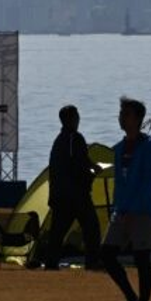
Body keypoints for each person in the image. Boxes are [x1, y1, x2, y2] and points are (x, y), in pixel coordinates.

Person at [101, 96, 151, 301]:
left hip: (142, 212)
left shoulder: (148, 147)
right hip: (121, 212)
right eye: (120, 114)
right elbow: (119, 184)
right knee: (106, 255)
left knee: (141, 258)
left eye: (126, 114)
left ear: (137, 119)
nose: (121, 118)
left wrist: (133, 211)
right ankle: (131, 297)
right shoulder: (118, 148)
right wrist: (118, 209)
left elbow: (147, 183)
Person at [31, 104, 100, 270]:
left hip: (60, 195)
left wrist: (90, 166)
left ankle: (51, 263)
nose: (79, 119)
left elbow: (76, 162)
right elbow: (79, 164)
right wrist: (92, 174)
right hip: (75, 195)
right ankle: (92, 262)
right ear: (72, 119)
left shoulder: (60, 140)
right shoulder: (74, 138)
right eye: (77, 116)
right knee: (91, 228)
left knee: (58, 231)